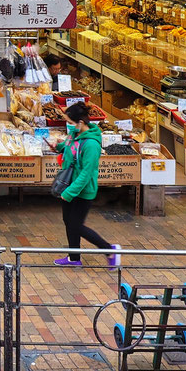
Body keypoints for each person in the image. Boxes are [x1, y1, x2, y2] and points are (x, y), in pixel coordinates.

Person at [51, 101, 121, 268]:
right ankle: (74, 258)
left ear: (80, 123)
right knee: (68, 221)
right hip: (68, 185)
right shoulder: (74, 135)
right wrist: (59, 147)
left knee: (76, 225)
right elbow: (69, 148)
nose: (68, 126)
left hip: (82, 191)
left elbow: (86, 173)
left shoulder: (91, 144)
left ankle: (109, 250)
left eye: (69, 122)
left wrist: (69, 193)